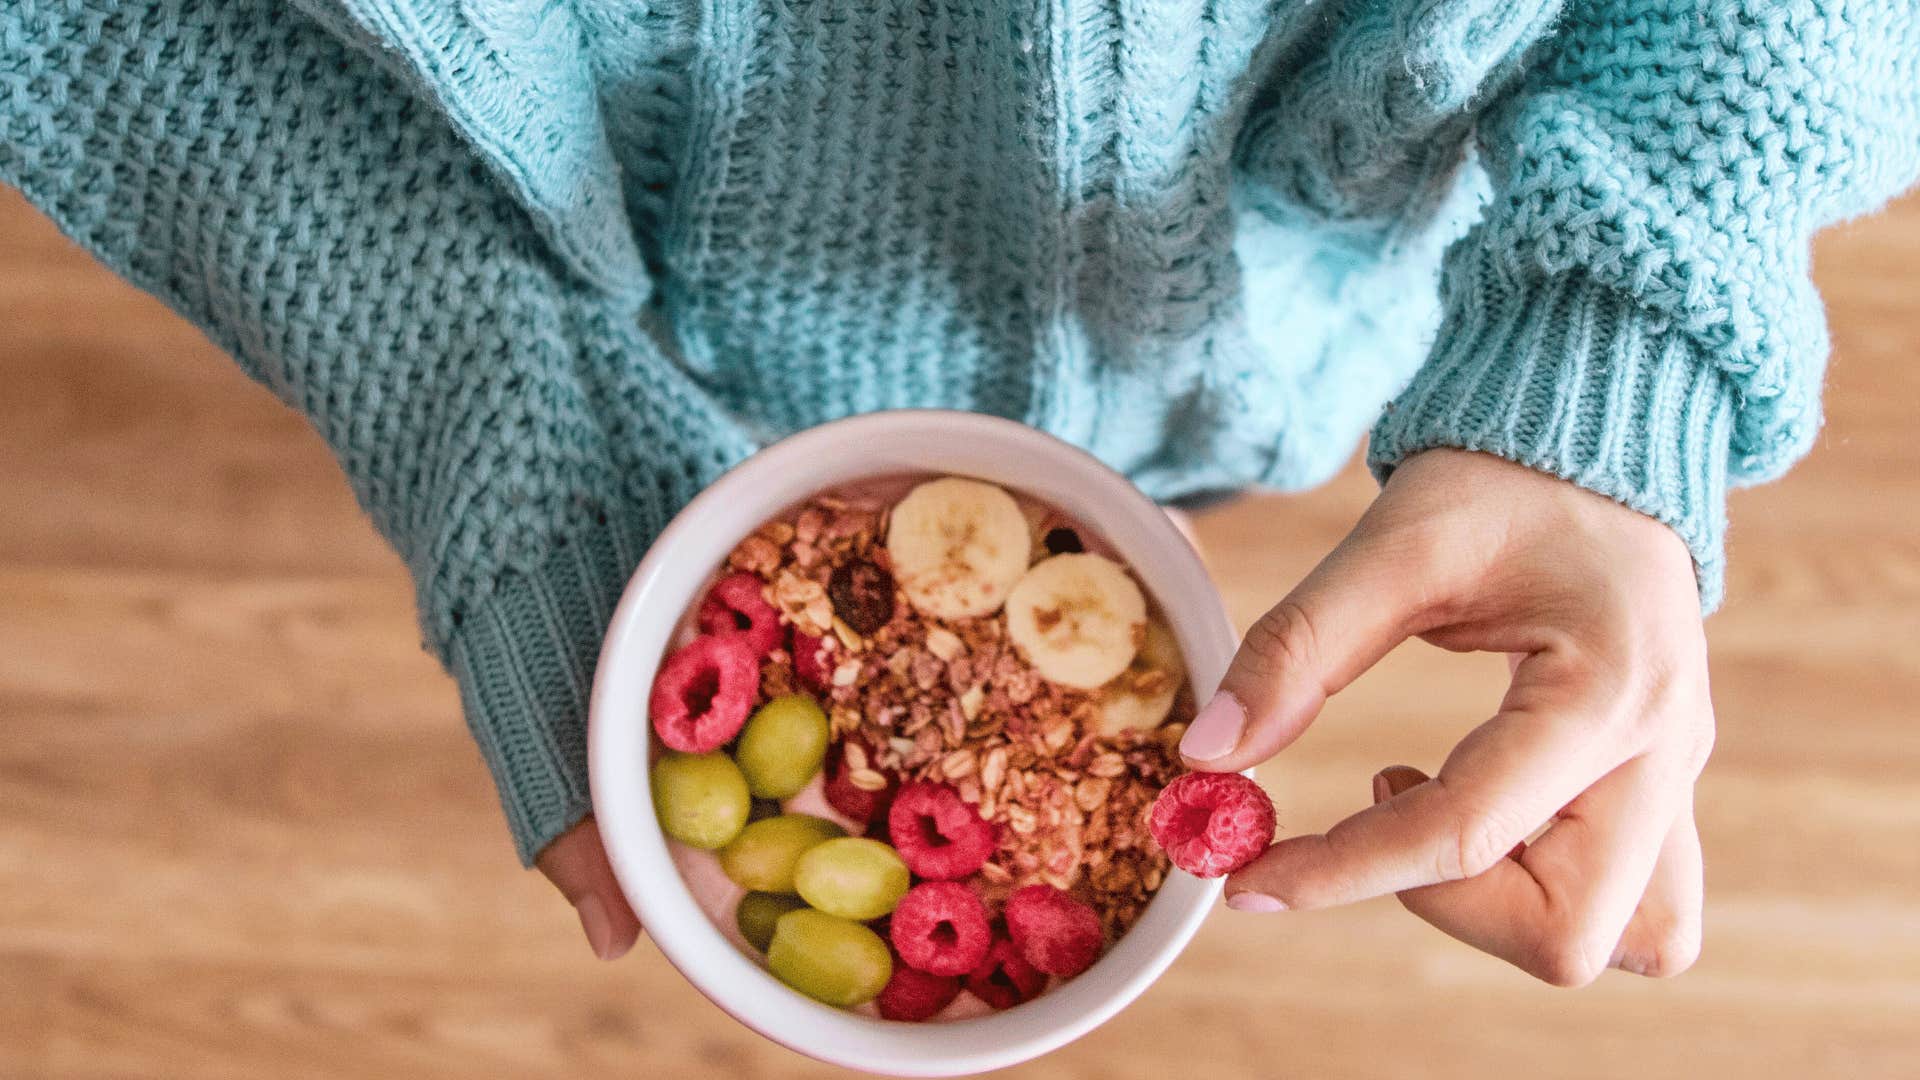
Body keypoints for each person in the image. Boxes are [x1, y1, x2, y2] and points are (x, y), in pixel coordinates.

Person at [3, 0, 1914, 987]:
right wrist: (485, 381)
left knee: (1222, 468)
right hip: (602, 285)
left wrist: (1625, 332)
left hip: (1296, 321)